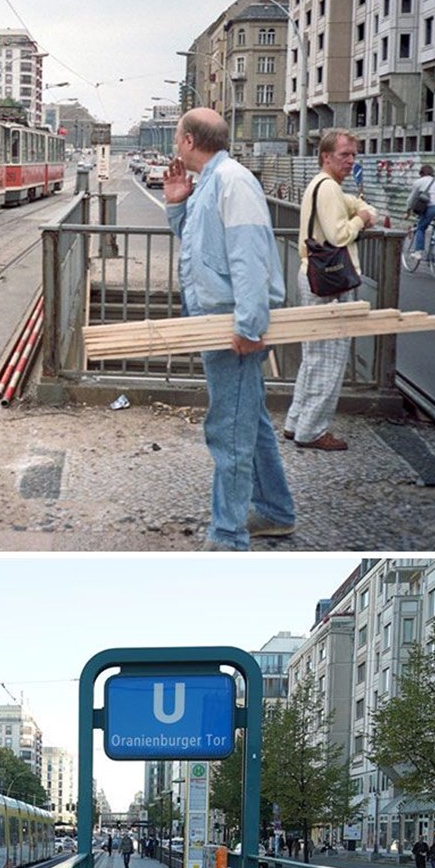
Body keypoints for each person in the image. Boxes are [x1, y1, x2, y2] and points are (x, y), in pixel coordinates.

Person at [164, 108, 295, 551]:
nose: (174, 142)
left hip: (231, 328)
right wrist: (177, 203)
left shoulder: (233, 182)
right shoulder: (210, 183)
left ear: (187, 142)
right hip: (217, 322)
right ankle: (277, 512)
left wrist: (249, 324)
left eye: (176, 135)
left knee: (229, 429)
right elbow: (200, 250)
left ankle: (228, 536)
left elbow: (249, 257)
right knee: (249, 421)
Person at [284, 129, 377, 453]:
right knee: (330, 359)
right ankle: (312, 431)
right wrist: (362, 221)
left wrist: (365, 211)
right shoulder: (328, 190)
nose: (351, 160)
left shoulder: (323, 186)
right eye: (344, 155)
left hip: (314, 277)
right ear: (326, 157)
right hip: (329, 283)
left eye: (353, 154)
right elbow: (339, 236)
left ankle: (296, 422)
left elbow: (357, 203)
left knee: (314, 357)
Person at [405, 164, 435, 263]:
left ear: (421, 173)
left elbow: (412, 198)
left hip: (432, 208)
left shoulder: (419, 182)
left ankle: (419, 252)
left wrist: (408, 210)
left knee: (421, 228)